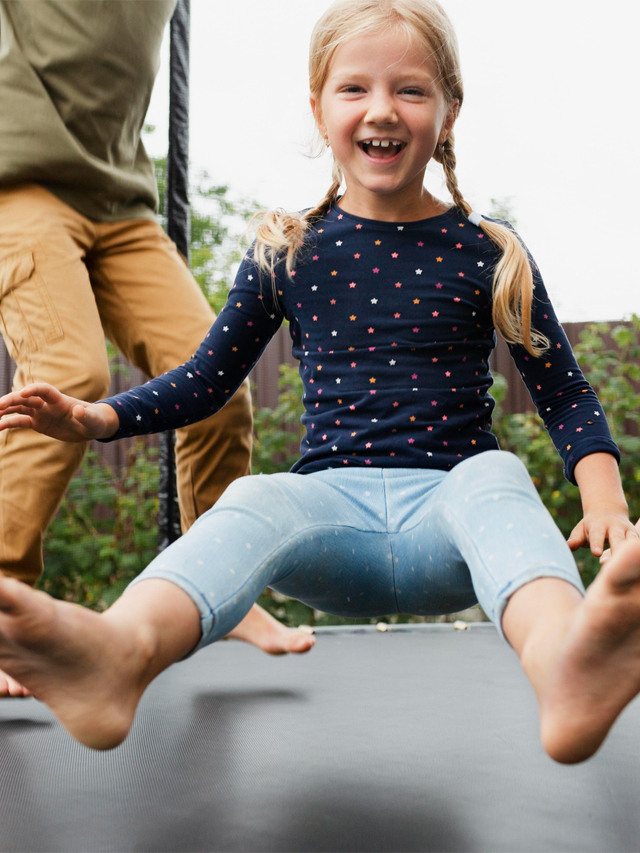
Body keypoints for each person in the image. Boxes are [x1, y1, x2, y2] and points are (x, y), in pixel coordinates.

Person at [0, 0, 638, 764]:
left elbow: (564, 390)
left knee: (496, 473)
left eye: (410, 89)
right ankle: (118, 652)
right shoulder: (288, 248)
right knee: (254, 496)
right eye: (354, 89)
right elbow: (205, 380)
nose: (382, 109)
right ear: (318, 106)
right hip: (330, 522)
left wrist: (604, 498)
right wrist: (98, 417)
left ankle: (566, 665)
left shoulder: (490, 252)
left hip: (449, 523)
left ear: (449, 109)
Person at [0, 0, 313, 697]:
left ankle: (217, 585)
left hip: (120, 206)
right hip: (18, 187)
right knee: (65, 373)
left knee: (220, 386)